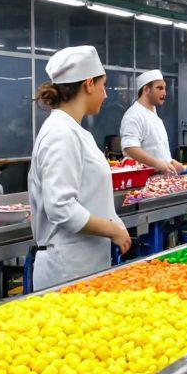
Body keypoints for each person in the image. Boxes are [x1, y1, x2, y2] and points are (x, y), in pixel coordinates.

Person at [28, 46, 131, 291]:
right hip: (66, 268)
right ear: (88, 84)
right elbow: (60, 207)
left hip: (83, 264)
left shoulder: (76, 131)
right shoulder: (61, 133)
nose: (106, 95)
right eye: (103, 85)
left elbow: (90, 196)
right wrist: (111, 230)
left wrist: (116, 224)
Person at [120, 69, 182, 175]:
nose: (164, 93)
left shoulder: (155, 117)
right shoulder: (134, 115)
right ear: (146, 89)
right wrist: (158, 164)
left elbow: (157, 148)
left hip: (160, 180)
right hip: (143, 182)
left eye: (164, 88)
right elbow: (130, 148)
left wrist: (170, 162)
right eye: (159, 88)